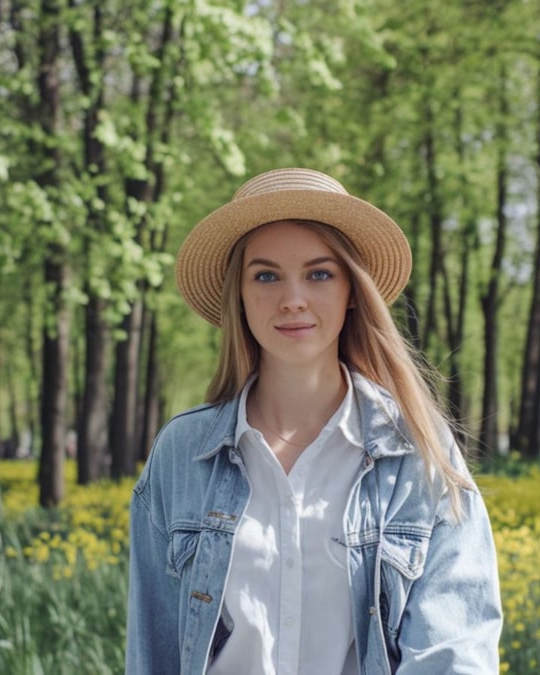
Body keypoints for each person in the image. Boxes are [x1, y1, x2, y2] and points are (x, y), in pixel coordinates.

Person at [126, 168, 502, 674]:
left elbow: (454, 655)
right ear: (238, 294)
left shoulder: (417, 451)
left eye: (319, 273)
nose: (293, 299)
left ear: (352, 290)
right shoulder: (182, 452)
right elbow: (153, 653)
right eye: (266, 275)